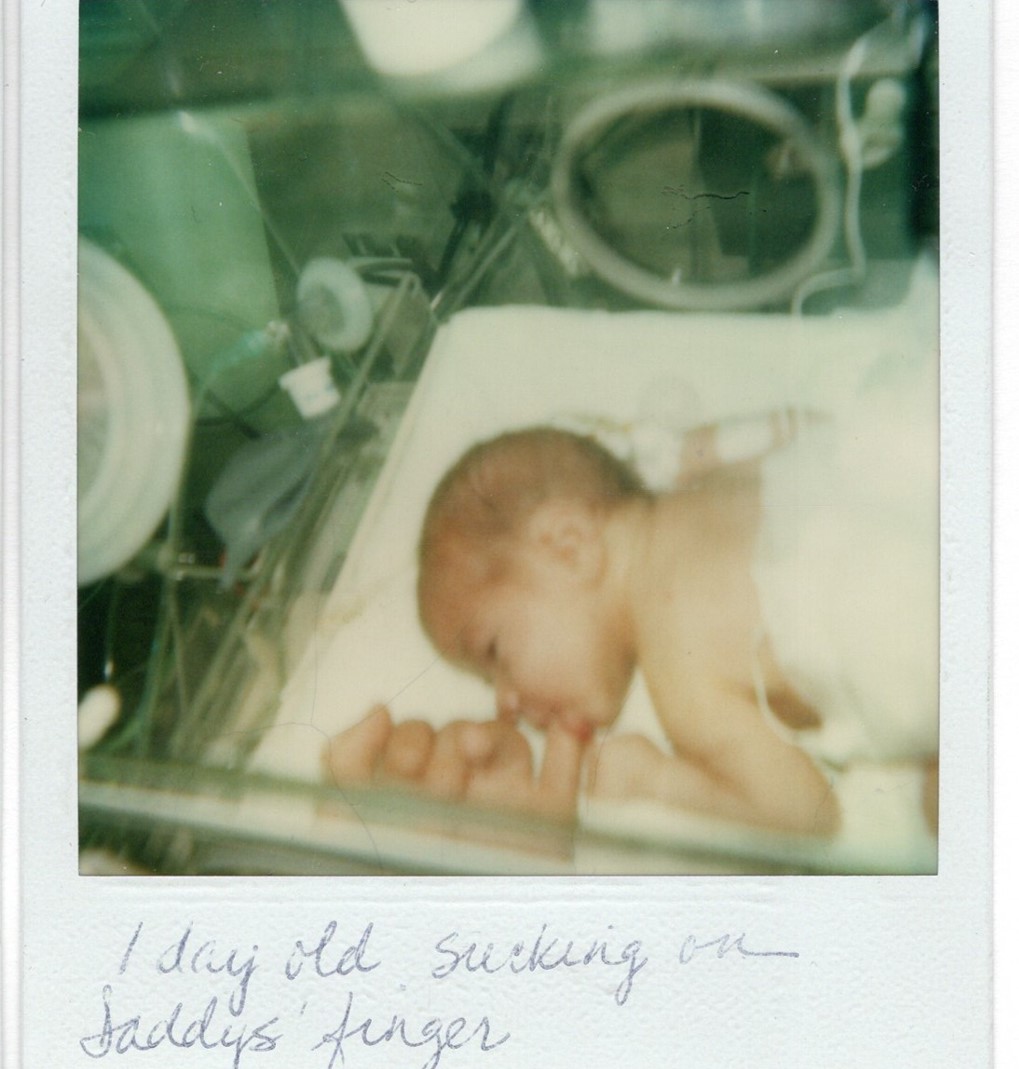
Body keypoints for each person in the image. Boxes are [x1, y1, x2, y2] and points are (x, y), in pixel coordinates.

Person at [324, 371, 938, 836]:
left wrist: (656, 780)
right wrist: (686, 447)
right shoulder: (707, 488)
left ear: (568, 546)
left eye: (496, 654)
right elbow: (815, 428)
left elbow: (807, 815)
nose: (504, 703)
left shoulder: (678, 662)